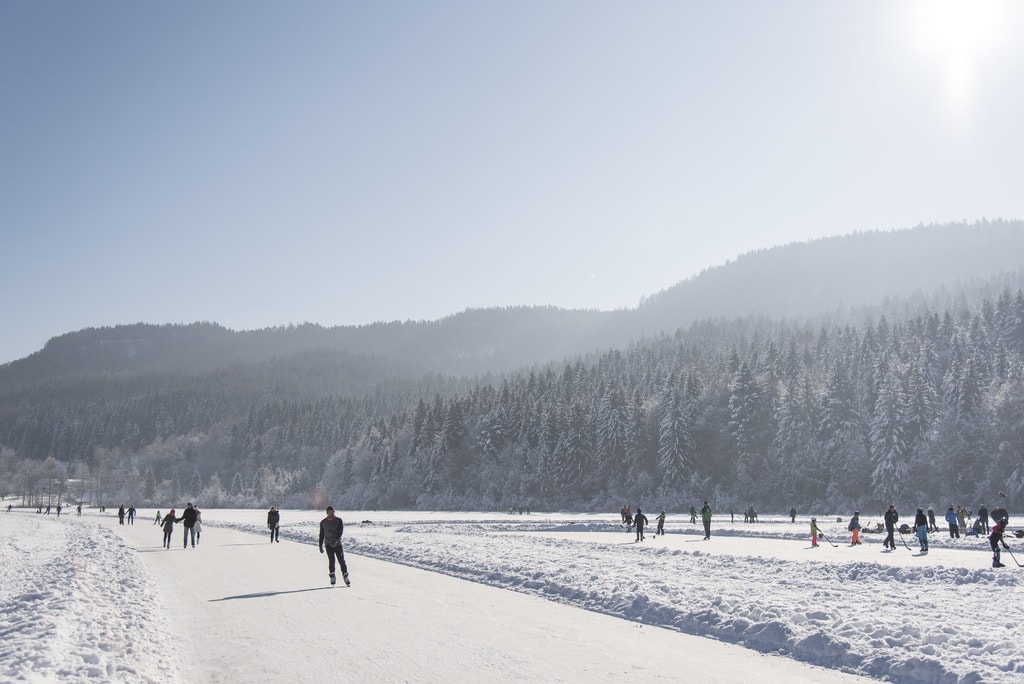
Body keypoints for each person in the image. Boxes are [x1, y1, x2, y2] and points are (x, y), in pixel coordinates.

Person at [319, 506, 350, 586]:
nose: (331, 514)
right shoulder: (323, 522)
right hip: (328, 545)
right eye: (329, 512)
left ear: (334, 512)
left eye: (332, 512)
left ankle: (345, 576)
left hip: (337, 544)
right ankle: (332, 576)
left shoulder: (338, 520)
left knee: (341, 561)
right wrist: (320, 545)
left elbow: (340, 531)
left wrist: (336, 539)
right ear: (327, 513)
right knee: (331, 561)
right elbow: (321, 534)